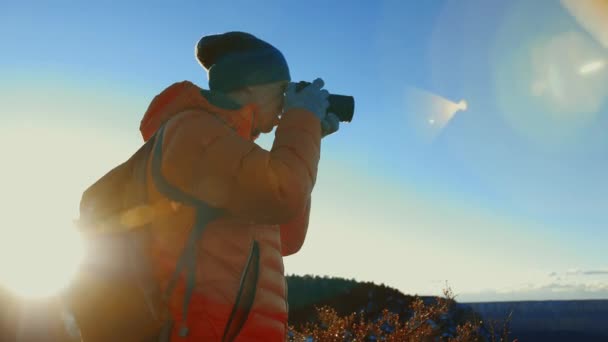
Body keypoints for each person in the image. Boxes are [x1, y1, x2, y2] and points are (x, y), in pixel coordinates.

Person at [77, 31, 340, 341]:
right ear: (250, 85)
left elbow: (287, 237)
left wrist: (309, 135)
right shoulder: (194, 131)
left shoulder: (234, 153)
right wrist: (302, 119)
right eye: (282, 90)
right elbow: (282, 196)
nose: (285, 104)